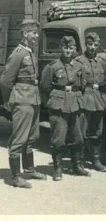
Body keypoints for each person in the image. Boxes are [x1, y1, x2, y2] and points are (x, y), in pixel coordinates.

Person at [0, 19, 47, 189]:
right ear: (24, 34)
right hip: (22, 99)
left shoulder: (30, 52)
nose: (36, 36)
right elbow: (5, 80)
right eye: (33, 33)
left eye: (36, 33)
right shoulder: (18, 53)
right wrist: (8, 101)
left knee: (32, 136)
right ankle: (16, 176)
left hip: (33, 99)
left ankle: (28, 169)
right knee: (19, 138)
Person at [40, 36, 90, 181]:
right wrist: (53, 102)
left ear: (74, 49)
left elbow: (82, 85)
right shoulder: (53, 66)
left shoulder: (80, 66)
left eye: (71, 48)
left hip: (75, 103)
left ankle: (77, 166)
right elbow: (45, 87)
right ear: (61, 49)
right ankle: (57, 168)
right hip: (58, 105)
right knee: (58, 139)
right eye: (65, 48)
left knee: (78, 138)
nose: (68, 51)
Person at [76, 32, 106, 172]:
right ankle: (80, 162)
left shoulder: (102, 62)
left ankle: (96, 160)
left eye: (95, 45)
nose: (92, 47)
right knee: (82, 132)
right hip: (84, 99)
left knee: (97, 132)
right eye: (90, 44)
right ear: (86, 45)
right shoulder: (78, 61)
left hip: (99, 100)